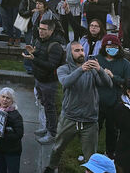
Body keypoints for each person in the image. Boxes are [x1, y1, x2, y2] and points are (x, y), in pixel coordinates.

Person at [43, 41, 112, 172]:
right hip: (69, 117)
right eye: (77, 51)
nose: (81, 53)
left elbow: (108, 84)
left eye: (82, 50)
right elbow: (66, 82)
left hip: (89, 120)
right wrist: (81, 69)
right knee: (58, 147)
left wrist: (100, 70)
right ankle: (51, 167)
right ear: (70, 53)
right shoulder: (63, 69)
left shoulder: (92, 69)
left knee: (91, 156)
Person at [22, 19, 65, 145]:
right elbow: (42, 55)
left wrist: (34, 58)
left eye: (44, 29)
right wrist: (34, 51)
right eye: (40, 28)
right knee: (44, 105)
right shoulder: (39, 40)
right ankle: (47, 128)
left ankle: (52, 133)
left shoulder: (55, 46)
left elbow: (51, 65)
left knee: (50, 107)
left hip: (48, 82)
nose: (40, 31)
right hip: (39, 79)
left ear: (51, 31)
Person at [96, 34, 130, 159]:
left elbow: (129, 84)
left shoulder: (125, 64)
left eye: (114, 46)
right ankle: (90, 152)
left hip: (115, 103)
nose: (112, 48)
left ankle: (110, 153)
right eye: (109, 46)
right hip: (97, 102)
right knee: (94, 128)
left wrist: (113, 77)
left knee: (112, 130)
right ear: (104, 47)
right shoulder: (97, 60)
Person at [0, 88, 24, 173]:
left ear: (12, 100)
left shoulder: (16, 116)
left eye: (8, 98)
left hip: (12, 152)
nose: (5, 100)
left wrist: (1, 135)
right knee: (1, 170)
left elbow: (19, 135)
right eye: (3, 96)